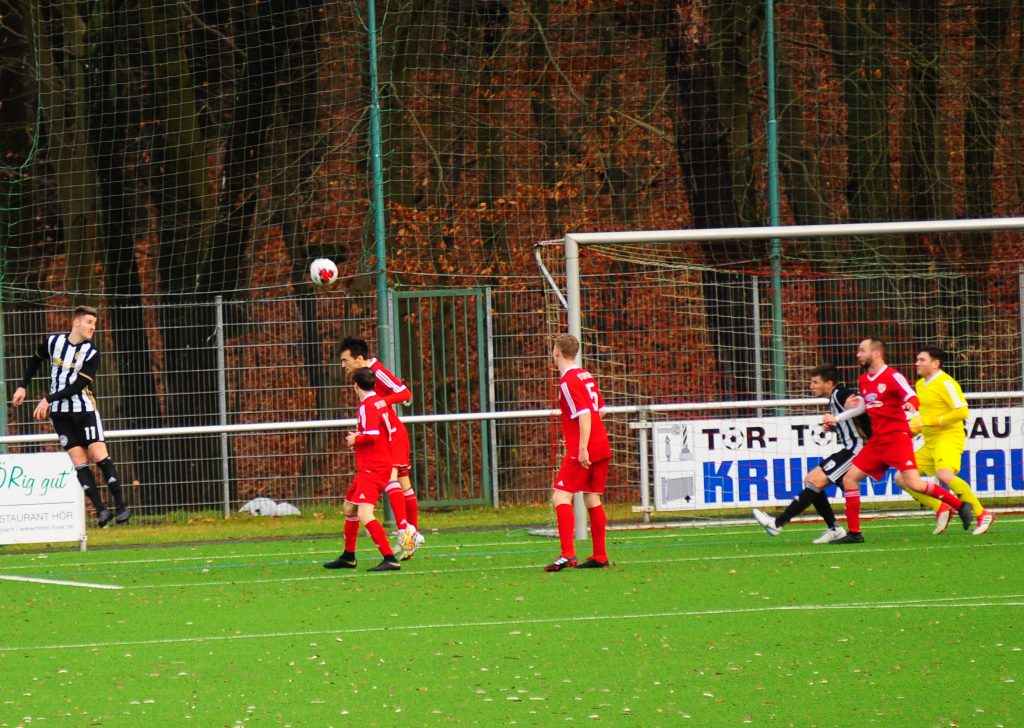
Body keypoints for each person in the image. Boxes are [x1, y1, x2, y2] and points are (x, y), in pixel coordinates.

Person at [831, 338, 973, 544]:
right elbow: (866, 405)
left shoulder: (892, 376)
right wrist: (838, 416)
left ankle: (960, 506)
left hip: (897, 439)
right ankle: (854, 533)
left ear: (877, 353)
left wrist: (911, 405)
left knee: (913, 482)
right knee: (849, 479)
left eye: (862, 350)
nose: (858, 354)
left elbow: (911, 396)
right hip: (878, 442)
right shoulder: (863, 380)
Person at [11, 305, 129, 527]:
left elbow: (78, 385)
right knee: (79, 461)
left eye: (94, 324)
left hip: (84, 411)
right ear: (76, 322)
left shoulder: (92, 353)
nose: (93, 327)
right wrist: (23, 386)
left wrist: (48, 399)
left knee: (98, 453)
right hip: (60, 415)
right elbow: (36, 359)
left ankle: (122, 506)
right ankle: (102, 511)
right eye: (88, 322)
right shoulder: (53, 342)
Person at [753, 363, 869, 544]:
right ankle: (835, 529)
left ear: (829, 383)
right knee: (810, 480)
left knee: (815, 482)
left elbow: (861, 403)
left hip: (857, 450)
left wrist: (837, 418)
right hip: (849, 448)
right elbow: (853, 425)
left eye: (815, 382)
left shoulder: (840, 393)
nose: (811, 386)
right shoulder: (834, 398)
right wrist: (835, 427)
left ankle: (777, 522)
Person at [338, 337, 423, 558]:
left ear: (359, 359)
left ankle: (406, 532)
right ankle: (411, 534)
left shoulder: (376, 370)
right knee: (401, 482)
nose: (343, 365)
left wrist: (381, 403)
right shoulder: (364, 379)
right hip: (389, 430)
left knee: (392, 478)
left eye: (345, 360)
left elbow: (405, 393)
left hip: (391, 433)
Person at [903, 347, 994, 536]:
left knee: (944, 474)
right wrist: (912, 429)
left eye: (922, 360)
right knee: (901, 478)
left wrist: (929, 422)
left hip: (948, 437)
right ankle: (942, 508)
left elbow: (962, 412)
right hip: (930, 441)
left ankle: (982, 513)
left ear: (935, 363)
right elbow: (925, 417)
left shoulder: (946, 383)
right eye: (917, 359)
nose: (917, 363)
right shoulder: (920, 385)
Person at [323, 367, 404, 572]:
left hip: (373, 467)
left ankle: (390, 557)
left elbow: (372, 434)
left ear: (355, 385)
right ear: (374, 384)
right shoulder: (379, 401)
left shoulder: (366, 405)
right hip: (374, 464)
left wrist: (355, 438)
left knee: (365, 513)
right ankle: (349, 556)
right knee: (349, 508)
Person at [545, 334, 611, 571]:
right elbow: (600, 411)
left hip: (585, 448)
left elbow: (584, 413)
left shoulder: (568, 381)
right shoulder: (586, 375)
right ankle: (600, 555)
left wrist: (582, 446)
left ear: (557, 352)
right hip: (602, 443)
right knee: (592, 497)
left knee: (560, 496)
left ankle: (567, 554)